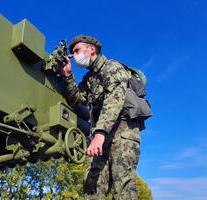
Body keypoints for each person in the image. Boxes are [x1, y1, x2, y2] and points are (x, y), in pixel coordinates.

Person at [60, 35, 145, 200]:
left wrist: (100, 133)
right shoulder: (89, 79)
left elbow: (115, 99)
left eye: (77, 50)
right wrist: (68, 76)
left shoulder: (112, 67)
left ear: (92, 49)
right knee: (92, 186)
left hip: (123, 132)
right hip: (101, 136)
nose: (74, 55)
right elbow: (78, 100)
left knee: (123, 187)